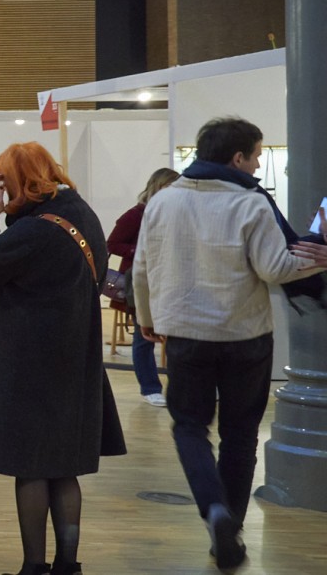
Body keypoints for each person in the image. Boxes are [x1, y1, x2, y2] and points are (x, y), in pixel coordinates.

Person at [134, 117, 327, 570]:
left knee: (189, 428)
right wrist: (321, 257)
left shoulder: (163, 200)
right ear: (237, 158)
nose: (259, 165)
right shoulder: (250, 203)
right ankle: (231, 531)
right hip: (246, 337)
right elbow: (275, 269)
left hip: (186, 335)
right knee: (239, 436)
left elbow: (142, 266)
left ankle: (214, 509)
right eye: (257, 155)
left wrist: (148, 319)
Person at [0, 143, 126, 575]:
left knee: (31, 468)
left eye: (2, 179)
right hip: (75, 360)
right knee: (63, 469)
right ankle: (67, 565)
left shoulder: (36, 230)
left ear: (17, 180)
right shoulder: (81, 214)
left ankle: (33, 567)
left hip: (30, 365)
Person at [107, 168, 180, 407]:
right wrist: (139, 251)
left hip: (169, 280)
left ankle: (178, 388)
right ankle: (150, 388)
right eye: (168, 187)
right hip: (142, 282)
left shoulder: (177, 214)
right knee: (143, 336)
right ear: (157, 187)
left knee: (175, 336)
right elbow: (113, 243)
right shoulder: (136, 214)